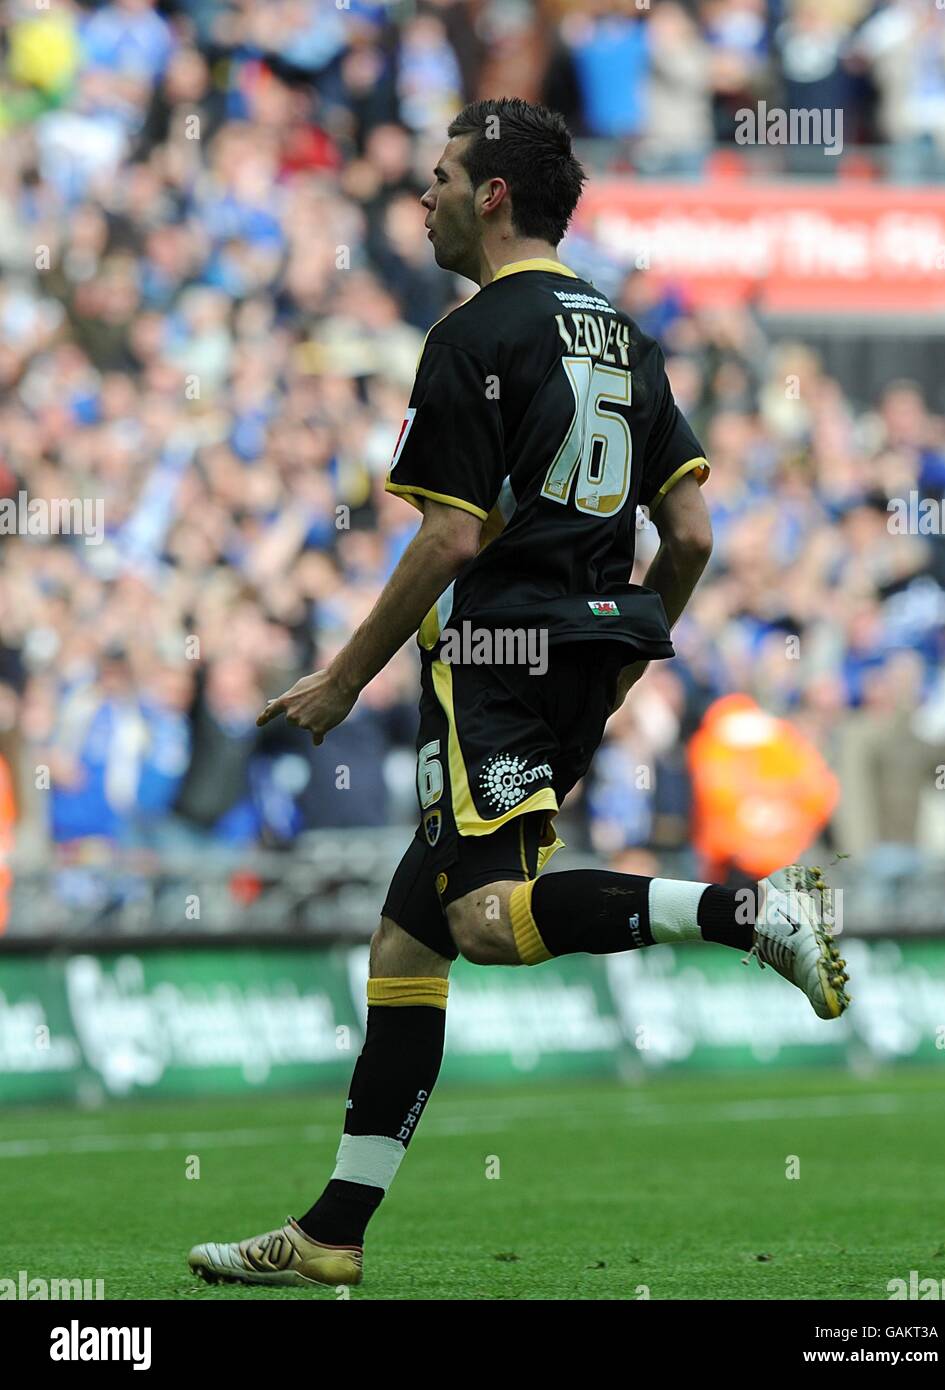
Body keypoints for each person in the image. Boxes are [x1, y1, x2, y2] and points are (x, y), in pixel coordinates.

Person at [188, 98, 849, 1291]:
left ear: (491, 195)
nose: (423, 194)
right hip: (587, 651)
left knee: (489, 918)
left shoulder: (470, 333)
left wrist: (343, 678)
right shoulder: (627, 337)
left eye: (440, 175)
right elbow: (689, 530)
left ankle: (751, 916)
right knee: (412, 928)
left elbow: (447, 539)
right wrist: (623, 645)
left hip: (491, 655)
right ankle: (334, 1229)